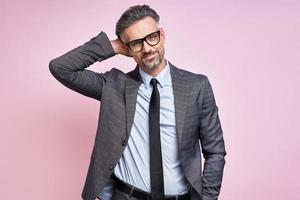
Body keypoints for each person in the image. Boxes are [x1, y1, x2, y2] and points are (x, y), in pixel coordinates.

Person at [49, 4, 226, 200]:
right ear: (127, 48)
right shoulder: (114, 86)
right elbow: (61, 68)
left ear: (162, 34)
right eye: (136, 43)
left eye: (151, 37)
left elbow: (215, 152)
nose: (147, 48)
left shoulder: (197, 86)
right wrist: (113, 46)